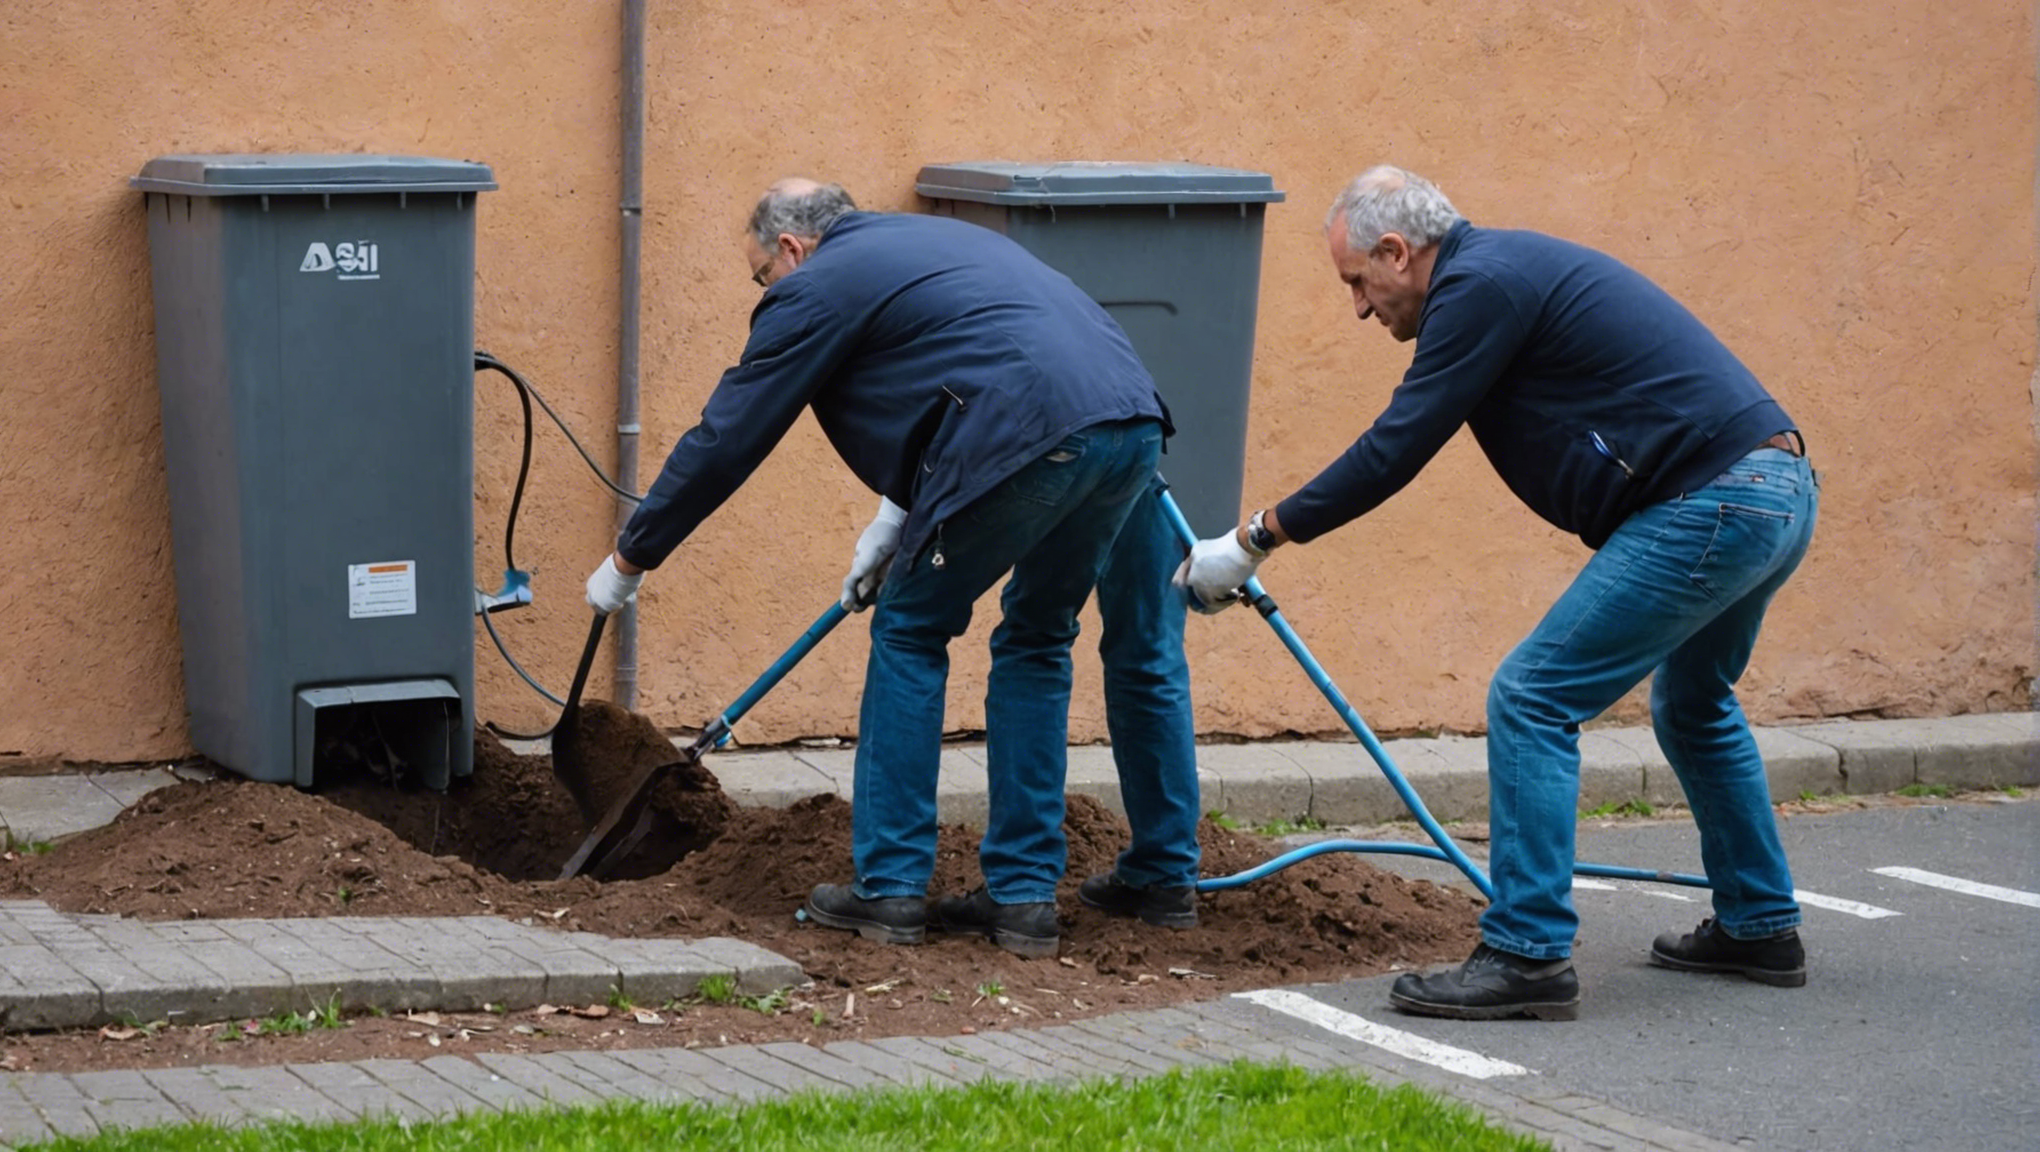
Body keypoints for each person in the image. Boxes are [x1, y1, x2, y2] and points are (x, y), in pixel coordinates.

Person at [1177, 166, 1819, 1020]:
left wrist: (1255, 538)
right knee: (1694, 703)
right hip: (1775, 487)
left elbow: (1395, 447)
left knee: (1533, 695)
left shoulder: (1478, 288)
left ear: (1398, 253)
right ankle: (1760, 924)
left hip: (1713, 501)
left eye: (1358, 283)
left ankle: (1527, 955)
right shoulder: (1504, 276)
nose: (1361, 309)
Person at [585, 178, 1196, 959]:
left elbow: (728, 436)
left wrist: (633, 555)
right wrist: (897, 519)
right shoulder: (932, 244)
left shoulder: (815, 286)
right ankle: (1022, 899)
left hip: (1030, 437)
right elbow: (961, 362)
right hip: (1129, 428)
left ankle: (892, 888)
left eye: (759, 275)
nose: (764, 292)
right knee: (1039, 638)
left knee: (911, 627)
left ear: (792, 249)